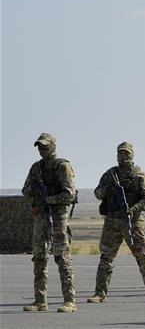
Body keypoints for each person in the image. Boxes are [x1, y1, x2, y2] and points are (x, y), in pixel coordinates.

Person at [87, 142, 145, 303]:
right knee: (106, 258)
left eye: (127, 153)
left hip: (133, 221)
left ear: (132, 155)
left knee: (143, 257)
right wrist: (107, 189)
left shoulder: (140, 175)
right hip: (112, 221)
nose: (124, 156)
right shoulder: (110, 175)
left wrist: (134, 208)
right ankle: (100, 293)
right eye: (121, 153)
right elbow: (98, 193)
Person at [21, 133, 78, 313]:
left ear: (53, 146)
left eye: (45, 146)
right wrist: (34, 190)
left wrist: (49, 199)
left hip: (58, 217)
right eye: (39, 147)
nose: (42, 150)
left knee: (62, 258)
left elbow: (69, 194)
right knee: (38, 258)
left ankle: (70, 301)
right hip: (40, 218)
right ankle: (40, 301)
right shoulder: (36, 168)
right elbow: (25, 189)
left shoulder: (62, 166)